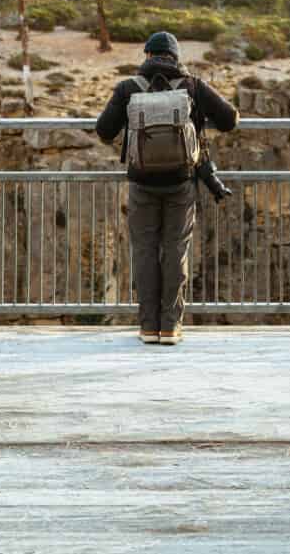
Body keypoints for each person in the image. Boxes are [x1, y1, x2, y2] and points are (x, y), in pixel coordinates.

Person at [95, 31, 238, 346]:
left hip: (142, 184)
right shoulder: (192, 87)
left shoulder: (129, 88)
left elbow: (103, 129)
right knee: (175, 251)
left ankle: (148, 328)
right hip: (180, 182)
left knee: (145, 252)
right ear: (176, 57)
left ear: (147, 56)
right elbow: (229, 119)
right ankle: (170, 328)